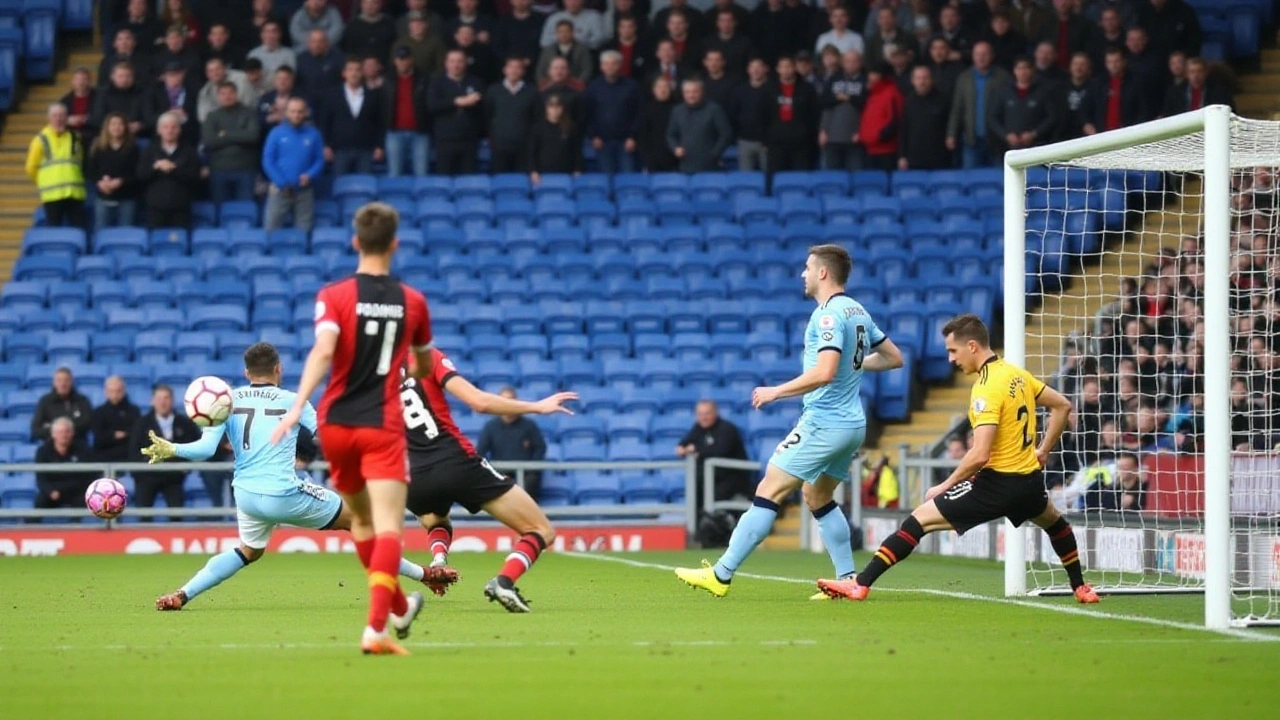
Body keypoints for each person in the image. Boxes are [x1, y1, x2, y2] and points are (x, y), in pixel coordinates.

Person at [143, 343, 431, 631]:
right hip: (282, 492)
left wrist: (172, 448)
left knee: (248, 551)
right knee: (360, 521)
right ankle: (420, 578)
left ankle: (183, 593)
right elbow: (327, 436)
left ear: (246, 373)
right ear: (279, 369)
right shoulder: (294, 400)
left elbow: (206, 449)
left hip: (244, 495)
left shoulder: (228, 400)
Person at [816, 314, 1100, 604]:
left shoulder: (986, 388)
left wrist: (945, 486)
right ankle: (1080, 587)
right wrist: (1043, 450)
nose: (951, 359)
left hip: (995, 484)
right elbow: (1062, 406)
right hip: (1029, 484)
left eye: (953, 351)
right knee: (1056, 525)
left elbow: (979, 454)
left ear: (973, 346)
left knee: (917, 521)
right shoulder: (1017, 375)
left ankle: (860, 584)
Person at [676, 245, 905, 598]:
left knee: (769, 490)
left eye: (807, 267)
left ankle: (721, 574)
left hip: (824, 422)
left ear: (823, 273)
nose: (803, 274)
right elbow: (893, 358)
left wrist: (776, 392)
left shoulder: (827, 316)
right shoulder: (858, 311)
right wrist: (853, 364)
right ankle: (848, 579)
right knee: (817, 496)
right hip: (852, 424)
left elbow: (826, 371)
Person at [269, 202, 434, 656]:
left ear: (355, 241)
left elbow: (323, 351)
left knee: (360, 521)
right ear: (395, 244)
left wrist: (295, 407)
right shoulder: (414, 302)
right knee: (388, 529)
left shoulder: (334, 294)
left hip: (335, 422)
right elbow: (422, 365)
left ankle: (397, 609)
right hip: (380, 424)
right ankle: (375, 629)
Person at [400, 354, 576, 611]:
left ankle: (439, 560)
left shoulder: (371, 378)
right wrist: (537, 407)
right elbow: (479, 402)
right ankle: (504, 582)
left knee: (435, 518)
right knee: (541, 530)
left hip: (410, 476)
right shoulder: (425, 357)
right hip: (454, 461)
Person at [129, 383, 202, 515]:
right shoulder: (141, 424)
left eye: (166, 398)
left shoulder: (184, 423)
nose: (163, 402)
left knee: (176, 515)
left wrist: (184, 467)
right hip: (148, 476)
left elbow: (194, 447)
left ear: (172, 400)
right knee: (143, 515)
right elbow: (134, 451)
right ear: (152, 401)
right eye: (159, 399)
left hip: (174, 477)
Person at [676, 400, 751, 515]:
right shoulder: (698, 428)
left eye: (707, 414)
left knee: (714, 495)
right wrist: (684, 448)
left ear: (715, 413)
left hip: (732, 477)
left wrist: (697, 450)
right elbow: (683, 446)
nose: (704, 418)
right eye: (700, 414)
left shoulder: (727, 429)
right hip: (709, 478)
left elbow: (720, 451)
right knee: (694, 491)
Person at [263, 98, 326, 232]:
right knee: (271, 230)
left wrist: (310, 175)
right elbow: (268, 161)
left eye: (300, 112)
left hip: (304, 190)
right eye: (293, 112)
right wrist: (281, 182)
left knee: (304, 231)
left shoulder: (314, 134)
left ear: (305, 113)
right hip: (279, 190)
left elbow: (319, 159)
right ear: (286, 113)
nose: (296, 115)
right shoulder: (276, 133)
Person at [477, 387, 549, 499]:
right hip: (501, 472)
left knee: (531, 480)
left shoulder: (530, 425)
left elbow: (540, 448)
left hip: (526, 474)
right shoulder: (490, 427)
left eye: (510, 400)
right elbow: (480, 452)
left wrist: (531, 469)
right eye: (502, 401)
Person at [946, 41, 1010, 169]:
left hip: (997, 140)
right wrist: (951, 133)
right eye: (977, 54)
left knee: (999, 179)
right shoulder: (964, 78)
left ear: (992, 56)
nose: (981, 58)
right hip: (971, 139)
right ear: (973, 56)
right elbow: (957, 108)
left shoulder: (1003, 78)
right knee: (970, 179)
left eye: (984, 54)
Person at [319, 58, 386, 175]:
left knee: (364, 189)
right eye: (350, 70)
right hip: (340, 151)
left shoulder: (373, 95)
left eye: (357, 70)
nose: (354, 73)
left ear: (362, 73)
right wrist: (326, 145)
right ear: (344, 73)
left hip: (365, 150)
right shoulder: (332, 95)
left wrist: (379, 146)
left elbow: (380, 123)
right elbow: (325, 122)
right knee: (340, 188)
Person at [137, 111, 201, 230]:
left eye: (173, 127)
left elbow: (195, 176)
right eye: (165, 127)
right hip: (155, 207)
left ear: (179, 130)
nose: (170, 131)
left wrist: (174, 169)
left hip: (181, 206)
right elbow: (141, 175)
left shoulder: (189, 151)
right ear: (159, 130)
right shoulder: (149, 150)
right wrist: (155, 167)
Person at [25, 104, 86, 229]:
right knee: (53, 231)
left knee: (78, 231)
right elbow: (31, 167)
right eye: (55, 116)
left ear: (66, 118)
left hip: (74, 194)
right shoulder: (40, 140)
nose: (58, 119)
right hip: (52, 195)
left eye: (62, 115)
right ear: (49, 118)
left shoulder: (75, 138)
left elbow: (80, 162)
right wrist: (43, 182)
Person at [427, 49, 485, 176]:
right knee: (444, 179)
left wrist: (472, 102)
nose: (456, 65)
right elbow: (432, 105)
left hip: (469, 140)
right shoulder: (437, 82)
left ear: (465, 63)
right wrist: (457, 101)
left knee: (468, 181)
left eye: (460, 61)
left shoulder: (475, 82)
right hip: (445, 140)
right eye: (452, 61)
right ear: (446, 63)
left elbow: (482, 107)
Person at [203, 81, 262, 203]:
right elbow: (209, 141)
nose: (227, 96)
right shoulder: (212, 116)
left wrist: (225, 134)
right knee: (220, 212)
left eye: (230, 93)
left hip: (246, 170)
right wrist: (239, 134)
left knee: (245, 211)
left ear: (236, 94)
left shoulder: (249, 113)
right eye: (223, 93)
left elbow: (252, 136)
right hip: (219, 171)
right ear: (218, 96)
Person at [763, 55, 819, 173]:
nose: (786, 70)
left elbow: (814, 115)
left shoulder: (807, 89)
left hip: (801, 143)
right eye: (782, 67)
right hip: (776, 143)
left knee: (801, 178)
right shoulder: (769, 89)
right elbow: (762, 115)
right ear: (777, 69)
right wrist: (767, 138)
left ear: (794, 68)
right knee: (776, 178)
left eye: (789, 66)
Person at [988, 56, 1054, 154]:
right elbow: (993, 117)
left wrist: (1034, 133)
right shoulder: (1004, 92)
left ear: (1032, 70)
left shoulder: (1042, 92)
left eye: (1026, 68)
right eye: (1019, 68)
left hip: (1037, 147)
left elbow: (1051, 117)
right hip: (1008, 147)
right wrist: (1006, 135)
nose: (1023, 72)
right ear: (1014, 71)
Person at [485, 55, 539, 174]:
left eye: (518, 67)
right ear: (505, 70)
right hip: (500, 147)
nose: (514, 71)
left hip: (524, 148)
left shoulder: (532, 92)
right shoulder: (493, 91)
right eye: (511, 67)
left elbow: (536, 119)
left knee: (521, 184)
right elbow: (487, 116)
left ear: (523, 71)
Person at [666, 78, 732, 174]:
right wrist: (675, 147)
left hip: (710, 166)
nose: (691, 95)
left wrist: (714, 155)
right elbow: (670, 134)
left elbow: (726, 135)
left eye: (695, 92)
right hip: (685, 165)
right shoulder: (677, 111)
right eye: (687, 92)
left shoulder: (714, 109)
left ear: (702, 92)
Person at [383, 47, 431, 177]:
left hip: (420, 132)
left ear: (411, 60)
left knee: (422, 174)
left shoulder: (424, 79)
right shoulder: (387, 80)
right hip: (394, 132)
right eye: (399, 59)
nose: (402, 62)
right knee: (394, 174)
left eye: (405, 59)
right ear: (395, 61)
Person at [34, 418, 97, 512]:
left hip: (76, 491)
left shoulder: (83, 449)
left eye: (67, 432)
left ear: (72, 433)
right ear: (53, 434)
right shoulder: (43, 451)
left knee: (87, 500)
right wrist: (50, 491)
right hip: (54, 491)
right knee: (40, 501)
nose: (64, 435)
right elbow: (41, 478)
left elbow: (87, 476)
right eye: (60, 432)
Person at [898, 64, 949, 170]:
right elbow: (904, 130)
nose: (922, 82)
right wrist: (902, 156)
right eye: (918, 78)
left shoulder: (944, 100)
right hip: (914, 158)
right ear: (913, 81)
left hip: (939, 158)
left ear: (932, 80)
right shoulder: (909, 101)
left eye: (925, 78)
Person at [857, 61, 902, 171]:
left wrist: (880, 137)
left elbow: (896, 120)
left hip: (886, 150)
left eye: (874, 73)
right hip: (870, 149)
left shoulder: (891, 93)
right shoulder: (872, 94)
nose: (870, 77)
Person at [527, 94, 583, 180]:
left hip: (566, 173)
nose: (555, 110)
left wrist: (577, 169)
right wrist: (533, 171)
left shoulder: (571, 127)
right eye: (551, 107)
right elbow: (532, 152)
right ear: (546, 108)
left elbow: (576, 150)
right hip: (543, 173)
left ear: (563, 108)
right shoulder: (537, 128)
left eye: (558, 106)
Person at [31, 367, 93, 442]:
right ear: (54, 383)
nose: (63, 384)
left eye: (66, 380)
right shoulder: (45, 401)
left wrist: (58, 427)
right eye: (59, 380)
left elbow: (87, 424)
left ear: (72, 382)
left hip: (78, 446)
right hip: (51, 447)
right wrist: (58, 431)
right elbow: (36, 429)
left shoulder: (82, 400)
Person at [90, 376, 141, 464]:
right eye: (111, 391)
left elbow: (135, 434)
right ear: (106, 392)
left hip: (127, 456)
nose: (115, 395)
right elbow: (99, 438)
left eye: (118, 391)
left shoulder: (134, 411)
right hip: (104, 456)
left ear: (124, 391)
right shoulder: (98, 412)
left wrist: (113, 435)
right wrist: (114, 435)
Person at [735, 57, 770, 172]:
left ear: (765, 69)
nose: (755, 70)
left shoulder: (774, 90)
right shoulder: (740, 90)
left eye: (758, 67)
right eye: (752, 67)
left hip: (768, 142)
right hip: (745, 141)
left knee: (769, 178)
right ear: (748, 70)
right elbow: (734, 114)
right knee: (746, 180)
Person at [636, 74, 678, 172]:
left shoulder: (678, 109)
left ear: (670, 89)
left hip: (675, 160)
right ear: (654, 90)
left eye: (665, 87)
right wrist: (648, 158)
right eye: (659, 87)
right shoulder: (646, 110)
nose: (662, 90)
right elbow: (642, 137)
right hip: (653, 160)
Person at [197, 57, 256, 124]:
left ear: (225, 69)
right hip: (220, 125)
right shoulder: (206, 90)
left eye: (218, 69)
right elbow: (202, 117)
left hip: (245, 120)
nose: (215, 73)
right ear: (207, 74)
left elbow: (247, 104)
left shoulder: (241, 79)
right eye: (211, 71)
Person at [295, 29, 346, 103]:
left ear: (327, 42)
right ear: (308, 43)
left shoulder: (338, 58)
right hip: (307, 102)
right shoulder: (300, 59)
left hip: (332, 101)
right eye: (313, 42)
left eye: (320, 41)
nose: (317, 45)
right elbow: (297, 84)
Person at [392, 11, 446, 80]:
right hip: (406, 80)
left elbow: (441, 66)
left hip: (430, 81)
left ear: (426, 24)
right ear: (409, 25)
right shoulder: (400, 43)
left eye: (420, 23)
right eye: (414, 23)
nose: (417, 25)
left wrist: (431, 80)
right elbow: (393, 65)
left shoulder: (436, 43)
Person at [537, 19, 593, 85]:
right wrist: (545, 84)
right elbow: (540, 71)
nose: (563, 34)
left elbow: (586, 70)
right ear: (556, 33)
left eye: (567, 31)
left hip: (575, 87)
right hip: (550, 87)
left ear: (572, 32)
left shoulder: (582, 49)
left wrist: (578, 84)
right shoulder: (548, 50)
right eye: (560, 32)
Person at [539, 0, 607, 51]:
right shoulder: (553, 18)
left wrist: (576, 42)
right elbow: (544, 42)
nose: (572, 2)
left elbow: (600, 39)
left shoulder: (594, 17)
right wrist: (563, 39)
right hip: (558, 56)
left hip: (586, 54)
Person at [59, 67, 97, 144]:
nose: (81, 82)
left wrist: (86, 120)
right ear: (73, 81)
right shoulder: (64, 101)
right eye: (78, 79)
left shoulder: (99, 98)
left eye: (84, 79)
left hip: (93, 137)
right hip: (70, 139)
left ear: (90, 81)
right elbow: (56, 119)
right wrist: (67, 120)